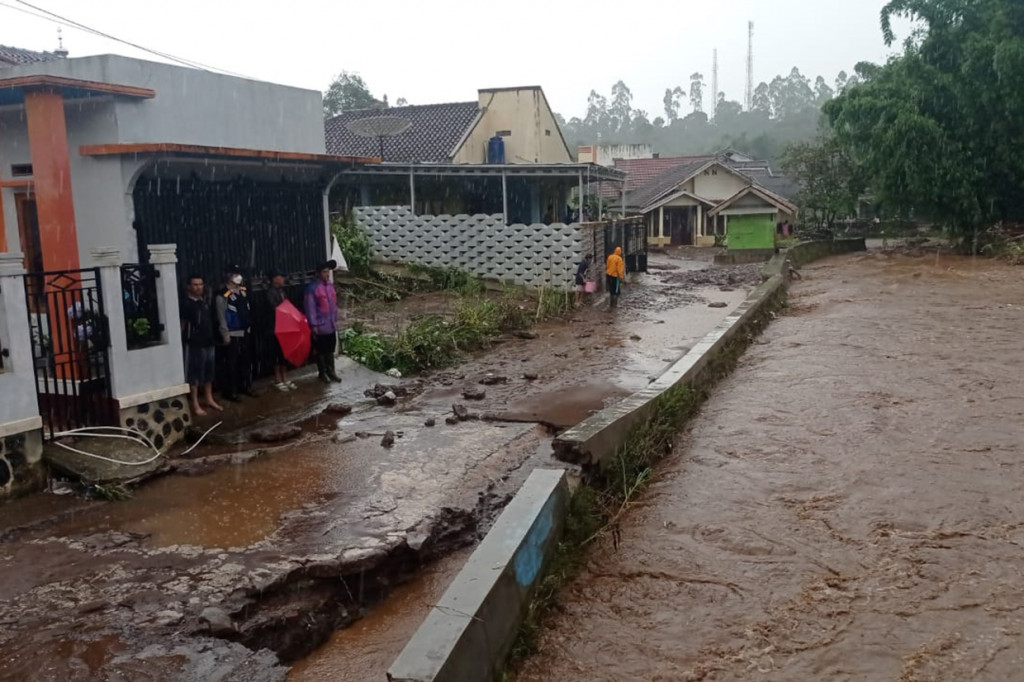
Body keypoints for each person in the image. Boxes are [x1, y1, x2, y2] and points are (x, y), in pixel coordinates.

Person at [180, 274, 222, 416]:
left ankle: (209, 398)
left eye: (200, 284)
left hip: (208, 341)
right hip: (194, 344)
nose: (198, 287)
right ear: (189, 287)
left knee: (208, 373)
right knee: (195, 375)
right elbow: (183, 324)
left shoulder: (204, 302)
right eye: (195, 284)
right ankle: (195, 403)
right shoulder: (186, 304)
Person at [215, 264, 255, 401]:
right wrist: (225, 334)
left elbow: (247, 310)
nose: (237, 277)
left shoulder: (243, 291)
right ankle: (231, 391)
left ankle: (245, 386)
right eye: (234, 274)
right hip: (232, 333)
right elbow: (221, 316)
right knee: (232, 364)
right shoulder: (223, 295)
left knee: (246, 362)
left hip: (245, 331)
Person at [304, 259, 341, 384]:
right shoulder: (312, 288)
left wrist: (335, 319)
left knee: (330, 349)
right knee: (321, 350)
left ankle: (331, 371)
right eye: (325, 272)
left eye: (328, 271)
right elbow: (310, 308)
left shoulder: (330, 286)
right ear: (319, 273)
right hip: (320, 325)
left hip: (330, 324)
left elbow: (334, 305)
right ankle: (323, 372)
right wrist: (313, 324)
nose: (327, 274)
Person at [266, 269, 297, 392]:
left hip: (285, 327)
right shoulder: (270, 293)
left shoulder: (282, 291)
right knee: (276, 354)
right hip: (275, 327)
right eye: (281, 277)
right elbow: (276, 309)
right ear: (274, 279)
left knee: (284, 354)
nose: (283, 279)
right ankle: (278, 378)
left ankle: (285, 377)